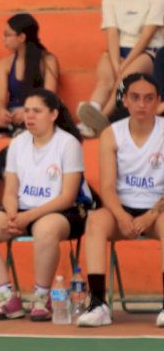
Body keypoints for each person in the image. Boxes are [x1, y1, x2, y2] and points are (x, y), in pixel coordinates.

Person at [0, 89, 92, 321]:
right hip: (23, 211)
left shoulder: (68, 144)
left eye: (37, 111)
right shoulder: (18, 143)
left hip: (65, 211)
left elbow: (67, 197)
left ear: (53, 114)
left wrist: (29, 216)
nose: (30, 116)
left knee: (45, 229)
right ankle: (7, 298)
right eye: (26, 110)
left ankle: (42, 297)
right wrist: (12, 213)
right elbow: (10, 191)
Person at [77, 73, 164, 328]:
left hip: (158, 210)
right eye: (135, 98)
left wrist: (150, 215)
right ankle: (98, 304)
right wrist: (122, 216)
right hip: (121, 209)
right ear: (124, 100)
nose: (141, 104)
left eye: (148, 98)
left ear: (158, 101)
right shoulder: (111, 134)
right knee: (95, 221)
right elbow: (106, 187)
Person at [77, 0, 164, 138]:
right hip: (117, 51)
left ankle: (102, 118)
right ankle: (90, 114)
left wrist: (125, 64)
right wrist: (116, 62)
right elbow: (112, 33)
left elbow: (146, 36)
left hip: (146, 51)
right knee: (105, 80)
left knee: (123, 80)